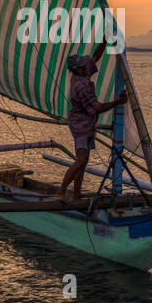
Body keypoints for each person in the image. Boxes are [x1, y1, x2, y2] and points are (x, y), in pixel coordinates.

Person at [56, 41, 127, 202]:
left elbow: (96, 56)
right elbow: (97, 108)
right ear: (78, 70)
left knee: (84, 161)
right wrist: (119, 101)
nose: (88, 66)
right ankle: (61, 191)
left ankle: (77, 193)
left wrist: (104, 40)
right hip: (81, 126)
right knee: (80, 159)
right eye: (83, 65)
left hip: (86, 124)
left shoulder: (82, 74)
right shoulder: (81, 86)